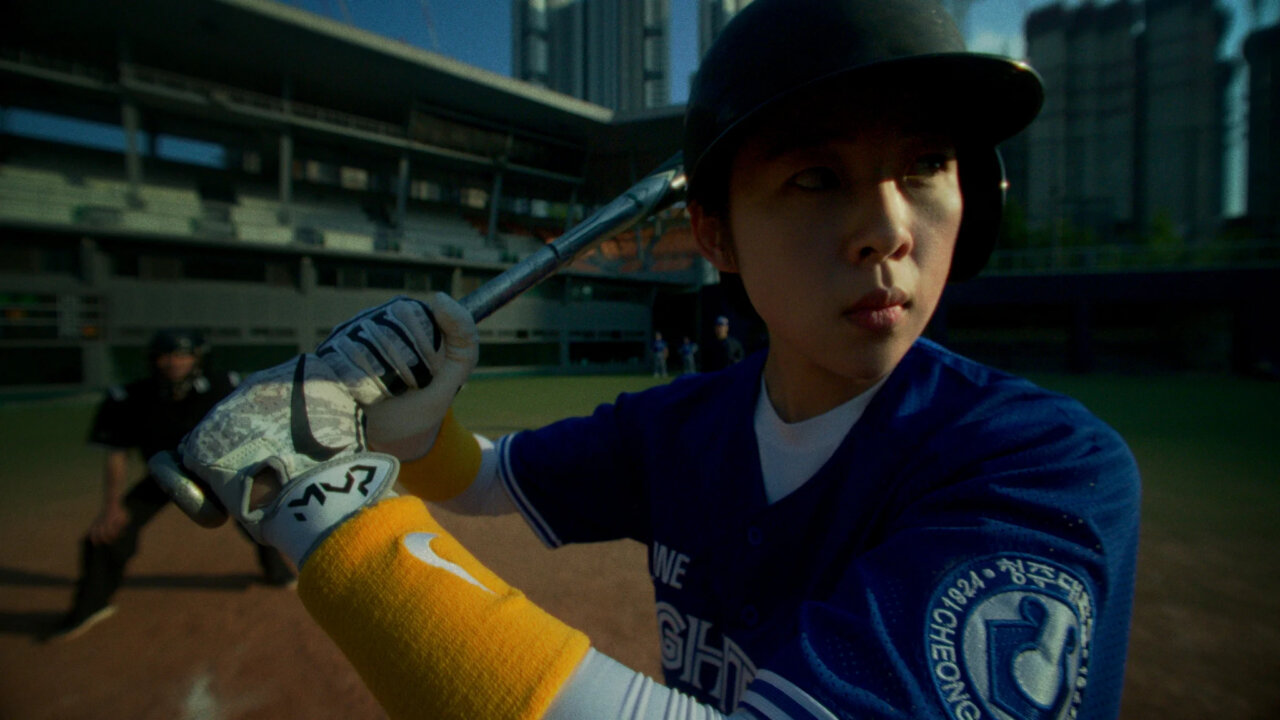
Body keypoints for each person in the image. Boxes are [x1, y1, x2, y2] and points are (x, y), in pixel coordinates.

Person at [166, 1, 1141, 718]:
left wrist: (327, 517)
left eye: (925, 166)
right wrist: (417, 436)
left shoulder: (1041, 467)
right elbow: (490, 481)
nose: (887, 228)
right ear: (715, 235)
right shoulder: (682, 424)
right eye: (815, 177)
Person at [46, 329, 294, 642]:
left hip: (220, 470)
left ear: (198, 358)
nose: (174, 362)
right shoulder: (130, 397)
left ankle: (277, 572)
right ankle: (90, 606)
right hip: (167, 474)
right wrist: (111, 506)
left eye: (182, 355)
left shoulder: (224, 386)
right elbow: (117, 454)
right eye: (166, 355)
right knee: (107, 534)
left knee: (259, 518)